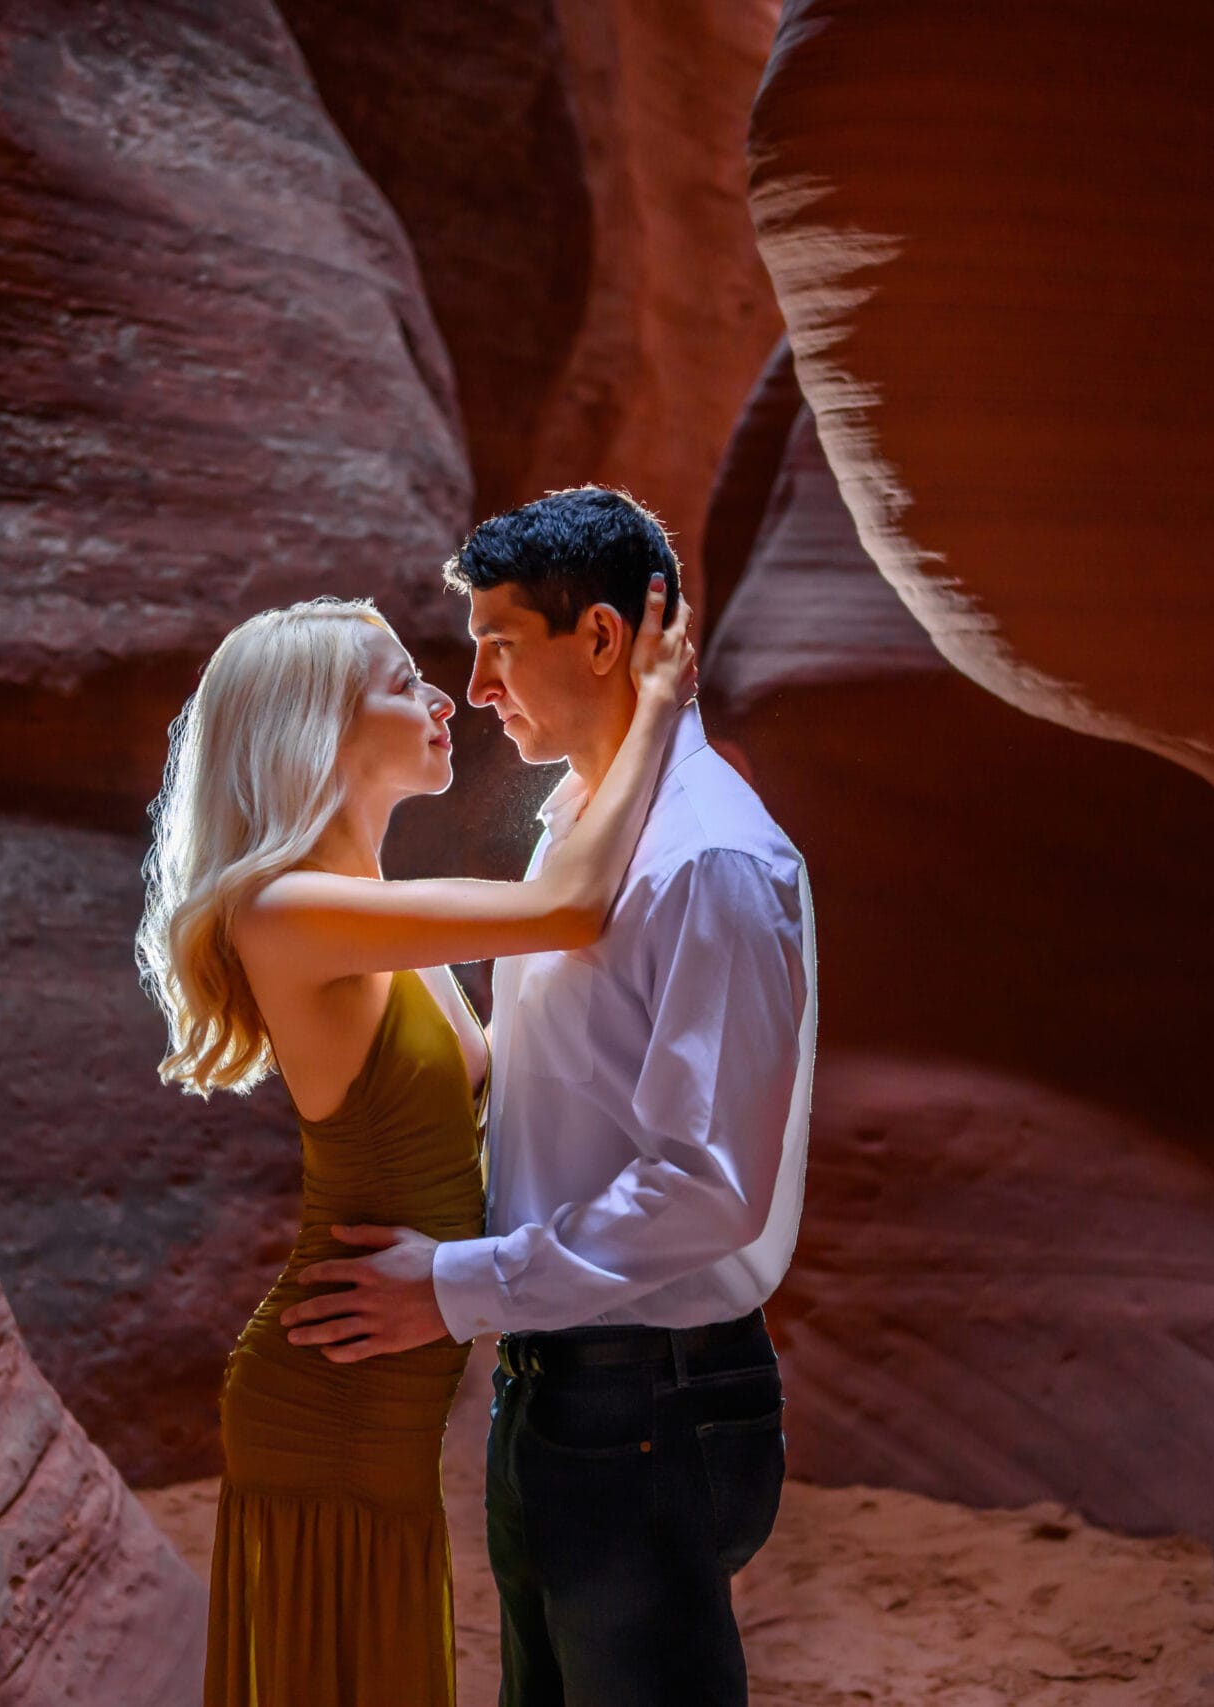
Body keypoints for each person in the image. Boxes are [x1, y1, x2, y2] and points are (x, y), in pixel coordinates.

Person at [280, 486, 818, 1706]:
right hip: (569, 1382)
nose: (473, 690)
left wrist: (452, 1286)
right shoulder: (574, 821)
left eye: (498, 646)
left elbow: (706, 1189)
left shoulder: (704, 860)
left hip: (649, 1398)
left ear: (602, 639)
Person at [137, 568, 696, 1707]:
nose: (445, 699)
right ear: (322, 728)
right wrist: (653, 710)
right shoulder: (289, 909)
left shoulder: (369, 905)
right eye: (404, 683)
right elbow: (571, 906)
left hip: (385, 1382)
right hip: (327, 1394)